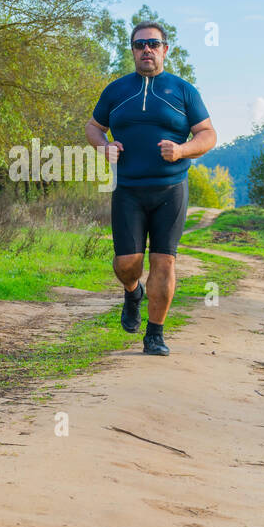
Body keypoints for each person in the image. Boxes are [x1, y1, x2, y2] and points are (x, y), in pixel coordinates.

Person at [85, 20, 216, 355]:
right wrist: (104, 147)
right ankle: (132, 292)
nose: (147, 50)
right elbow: (93, 127)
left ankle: (155, 334)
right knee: (126, 262)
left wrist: (183, 150)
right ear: (132, 50)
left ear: (165, 50)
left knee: (164, 262)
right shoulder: (116, 91)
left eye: (153, 44)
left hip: (170, 189)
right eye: (140, 44)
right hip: (127, 189)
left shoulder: (183, 90)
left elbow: (207, 134)